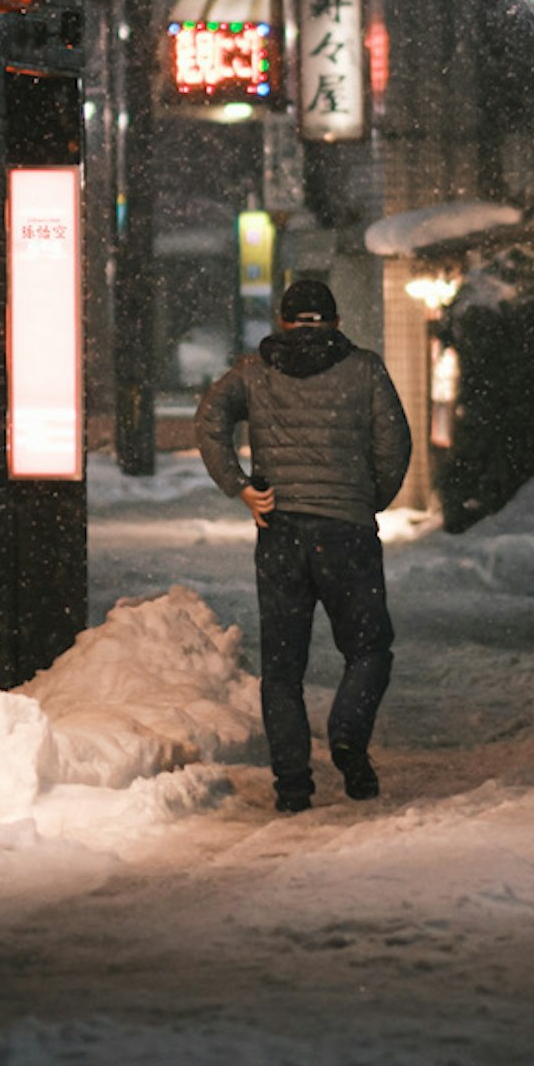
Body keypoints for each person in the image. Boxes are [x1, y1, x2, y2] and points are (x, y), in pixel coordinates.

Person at [195, 273, 412, 813]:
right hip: (348, 535)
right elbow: (395, 443)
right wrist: (367, 499)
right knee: (368, 648)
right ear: (335, 322)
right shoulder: (365, 369)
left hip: (281, 533)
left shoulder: (254, 371)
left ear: (284, 323)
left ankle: (292, 783)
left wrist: (240, 486)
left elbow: (209, 419)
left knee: (283, 668)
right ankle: (346, 733)